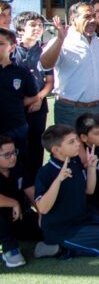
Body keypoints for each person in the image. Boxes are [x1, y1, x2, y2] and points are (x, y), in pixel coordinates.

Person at [34, 124, 99, 258]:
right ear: (56, 149)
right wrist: (58, 180)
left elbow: (89, 190)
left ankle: (65, 246)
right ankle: (59, 249)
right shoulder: (45, 172)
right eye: (71, 142)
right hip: (62, 229)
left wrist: (91, 168)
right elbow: (42, 208)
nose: (78, 144)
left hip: (82, 219)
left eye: (76, 139)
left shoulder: (74, 162)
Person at [40, 4, 99, 128]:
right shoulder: (63, 41)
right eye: (87, 16)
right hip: (70, 110)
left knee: (96, 147)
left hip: (98, 109)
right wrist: (60, 39)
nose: (93, 20)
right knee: (70, 146)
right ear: (72, 19)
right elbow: (45, 65)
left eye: (94, 16)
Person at [12, 12, 53, 183]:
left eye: (40, 25)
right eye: (32, 25)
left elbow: (50, 82)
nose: (37, 28)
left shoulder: (44, 50)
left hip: (38, 107)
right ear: (21, 29)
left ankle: (35, 187)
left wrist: (38, 98)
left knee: (37, 147)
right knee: (17, 148)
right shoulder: (11, 51)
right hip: (15, 110)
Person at [0, 135, 42, 268]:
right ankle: (10, 250)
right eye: (7, 155)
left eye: (14, 152)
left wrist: (42, 213)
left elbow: (31, 191)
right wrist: (14, 203)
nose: (13, 157)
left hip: (18, 215)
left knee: (42, 228)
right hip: (5, 215)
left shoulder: (18, 167)